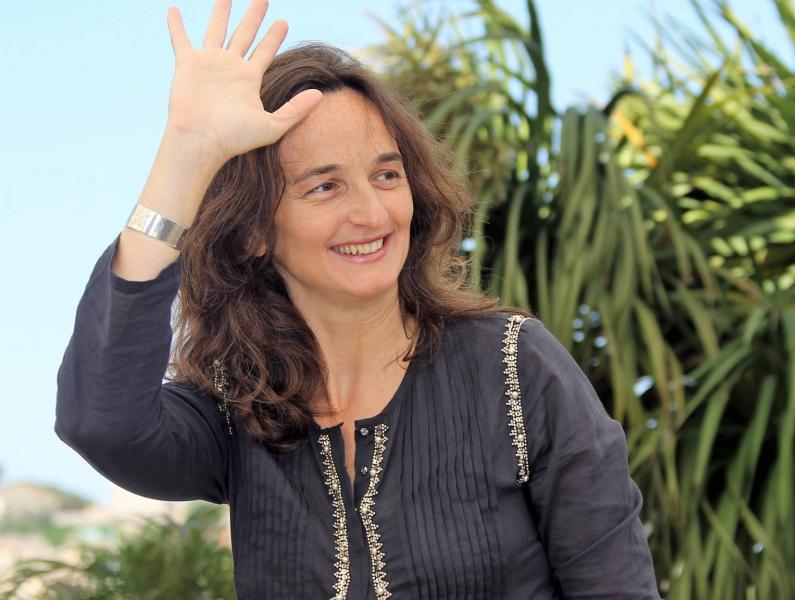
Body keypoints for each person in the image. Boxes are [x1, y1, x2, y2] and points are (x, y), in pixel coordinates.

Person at [55, 0, 659, 598]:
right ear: (254, 230)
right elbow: (102, 424)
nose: (371, 214)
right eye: (325, 186)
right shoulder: (237, 406)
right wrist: (185, 152)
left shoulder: (514, 367)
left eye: (386, 175)